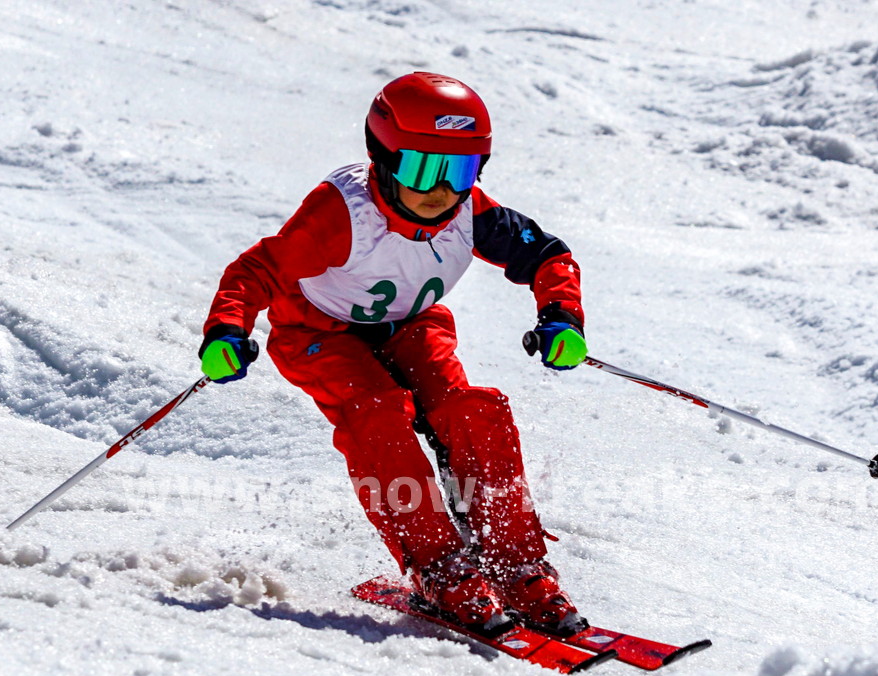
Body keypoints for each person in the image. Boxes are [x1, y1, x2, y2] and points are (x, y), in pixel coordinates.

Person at [199, 72, 589, 637]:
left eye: (459, 171)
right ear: (383, 159)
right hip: (318, 332)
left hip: (410, 323)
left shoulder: (468, 211)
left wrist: (561, 317)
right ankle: (439, 568)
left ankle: (516, 564)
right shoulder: (342, 214)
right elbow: (254, 272)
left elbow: (551, 256)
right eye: (422, 169)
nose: (440, 191)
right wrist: (227, 332)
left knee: (473, 408)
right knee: (378, 412)